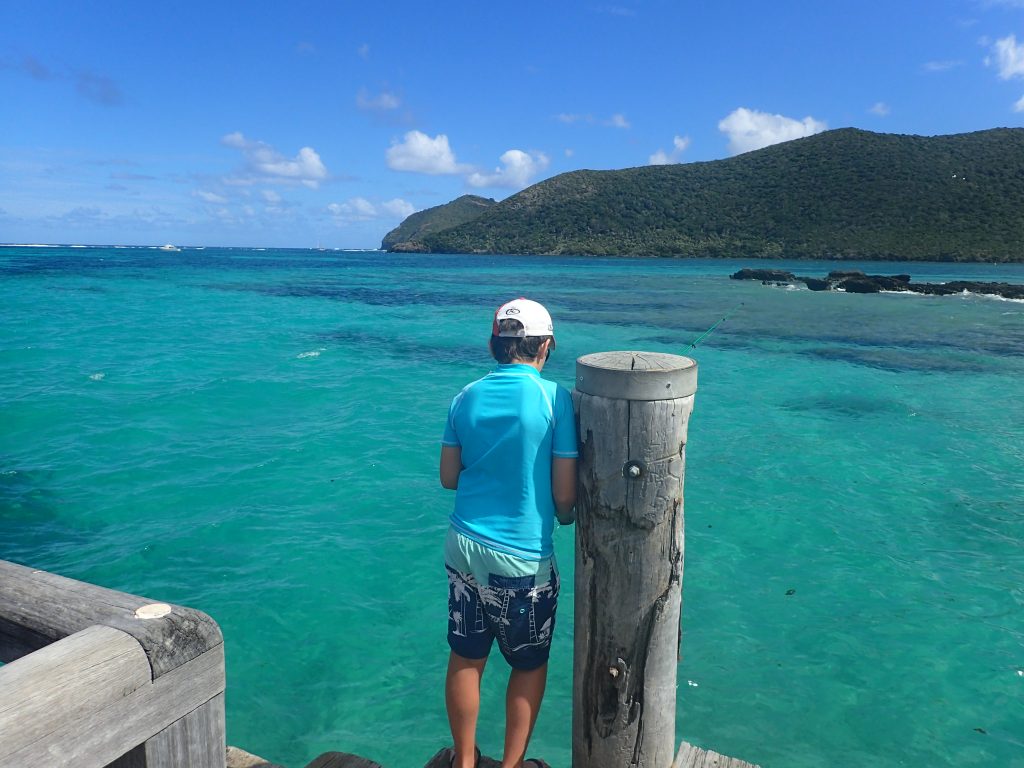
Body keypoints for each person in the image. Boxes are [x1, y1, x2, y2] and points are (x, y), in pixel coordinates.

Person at [440, 298, 578, 768]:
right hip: (520, 559)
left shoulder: (464, 396)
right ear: (547, 347)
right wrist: (566, 518)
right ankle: (512, 765)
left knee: (465, 657)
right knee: (528, 663)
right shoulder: (555, 398)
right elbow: (563, 494)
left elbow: (449, 476)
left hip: (462, 547)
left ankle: (463, 761)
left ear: (492, 344)